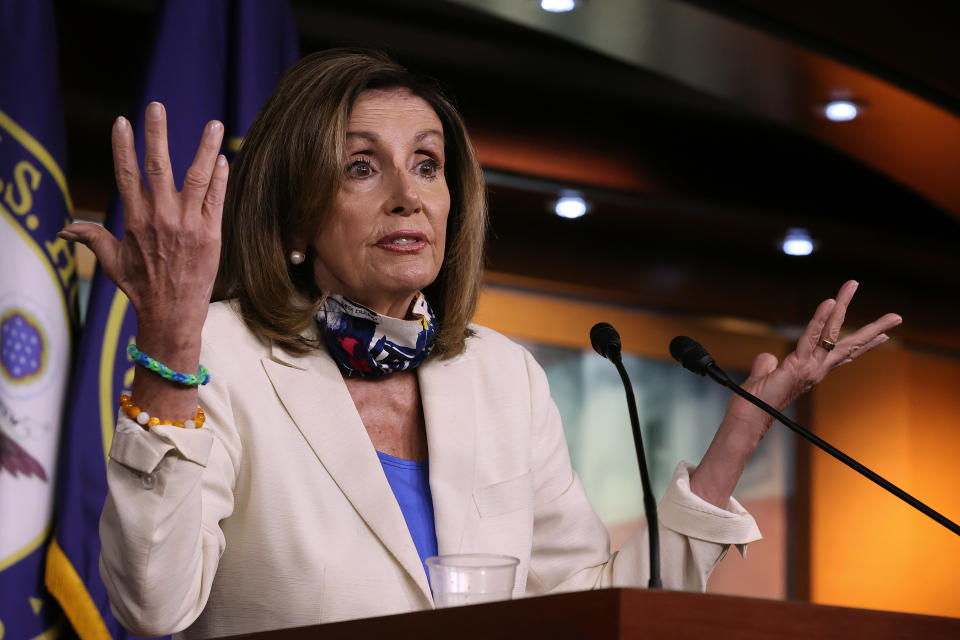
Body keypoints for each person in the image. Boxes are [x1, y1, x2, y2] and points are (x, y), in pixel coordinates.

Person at [59, 50, 901, 639]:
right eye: (362, 167)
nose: (407, 196)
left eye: (427, 165)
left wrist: (738, 440)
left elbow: (587, 605)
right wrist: (171, 339)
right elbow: (153, 603)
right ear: (295, 216)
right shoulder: (224, 358)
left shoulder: (501, 376)